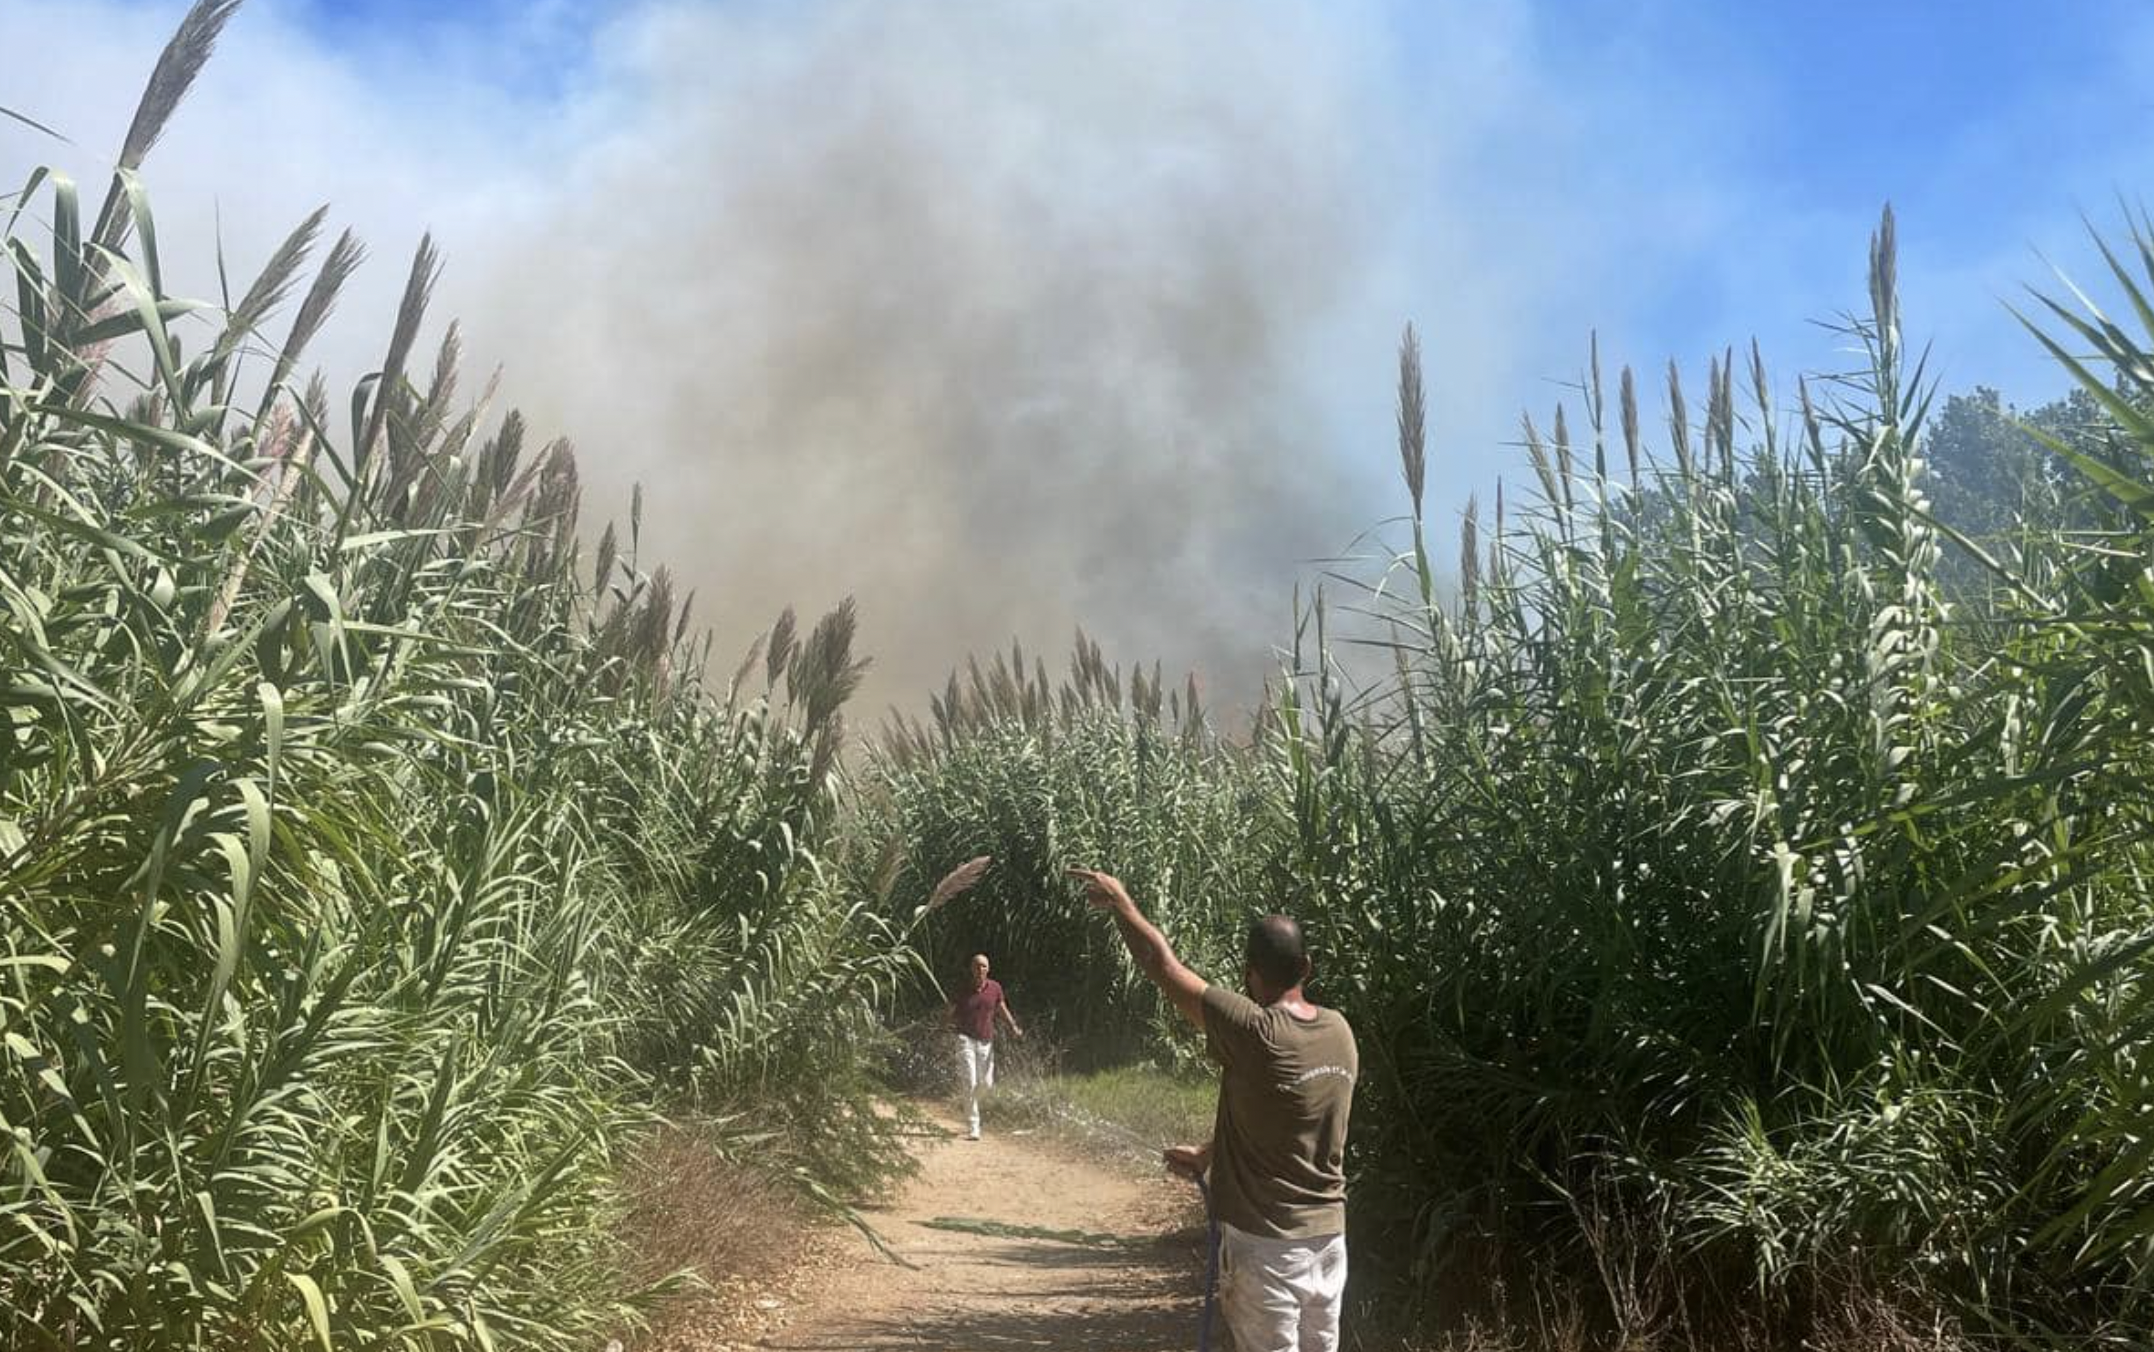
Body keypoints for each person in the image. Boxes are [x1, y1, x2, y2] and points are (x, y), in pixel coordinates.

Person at [1068, 867, 1357, 1352]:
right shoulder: (1340, 1033)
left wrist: (1121, 904)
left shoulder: (1254, 1032)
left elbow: (1162, 965)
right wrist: (1208, 1154)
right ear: (1305, 967)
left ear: (1249, 974)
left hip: (1267, 1250)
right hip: (1330, 1243)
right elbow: (1285, 1120)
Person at [948, 951, 1023, 1140]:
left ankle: (973, 1107)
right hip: (965, 1039)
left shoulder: (995, 988)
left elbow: (1001, 1008)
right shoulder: (962, 989)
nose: (980, 969)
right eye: (976, 966)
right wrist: (942, 1023)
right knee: (970, 1081)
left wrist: (1013, 1026)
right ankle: (974, 1126)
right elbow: (950, 1009)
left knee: (986, 1084)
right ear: (971, 969)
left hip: (986, 1040)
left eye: (983, 966)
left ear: (988, 969)